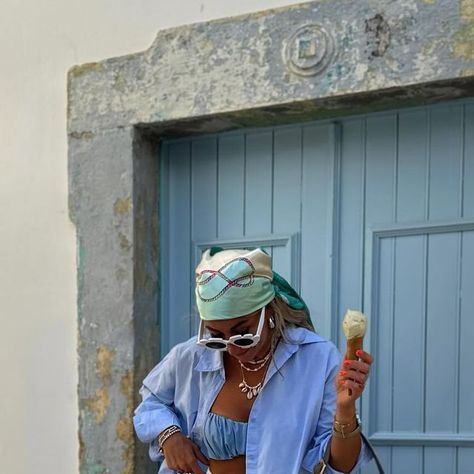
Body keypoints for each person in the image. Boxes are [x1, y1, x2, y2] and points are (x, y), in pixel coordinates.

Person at [133, 247, 378, 474]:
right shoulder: (192, 355)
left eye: (243, 334)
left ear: (269, 311)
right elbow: (151, 402)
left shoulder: (318, 359)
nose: (230, 347)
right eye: (216, 336)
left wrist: (345, 410)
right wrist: (169, 435)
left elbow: (339, 466)